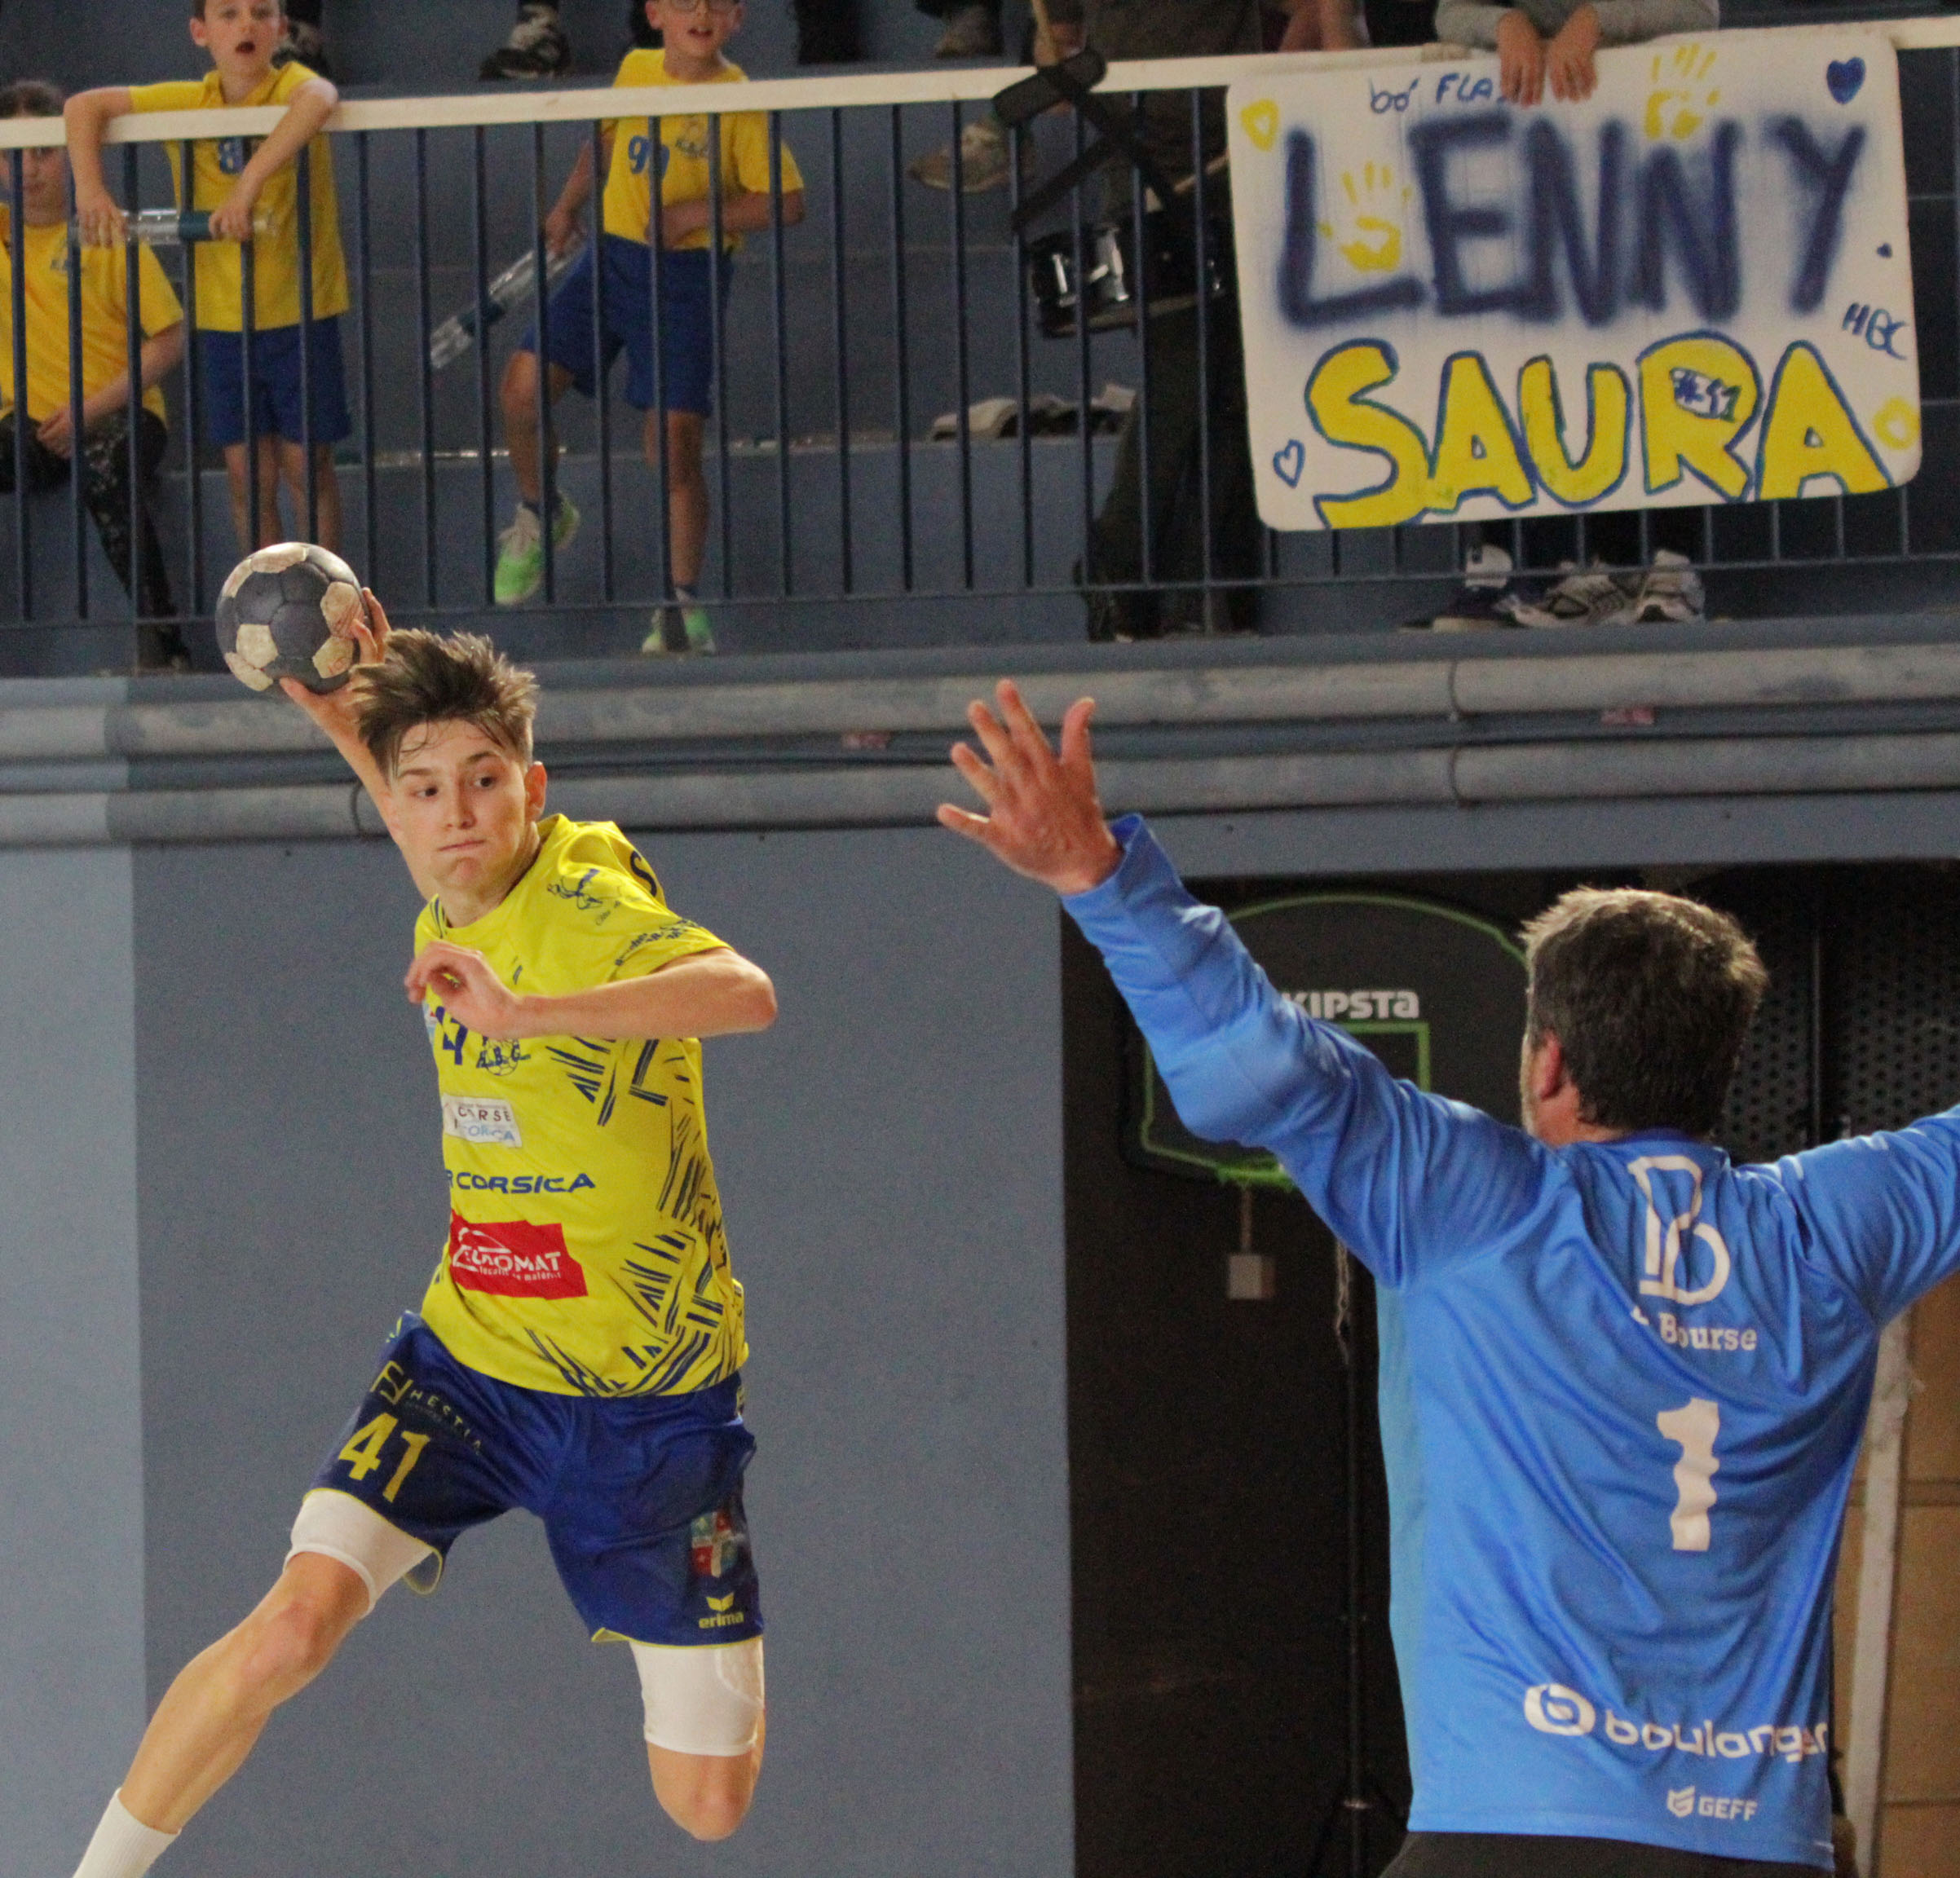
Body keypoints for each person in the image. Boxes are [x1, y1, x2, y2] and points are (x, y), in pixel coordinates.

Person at [939, 677, 1960, 1876]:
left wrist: (1104, 880)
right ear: (1722, 1064)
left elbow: (1257, 1060)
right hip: (1760, 1850)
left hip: (1509, 1835)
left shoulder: (1476, 1202)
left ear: (1550, 1064)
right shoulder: (1830, 1236)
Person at [66, 607, 778, 1878]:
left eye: (486, 785)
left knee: (707, 1805)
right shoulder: (443, 871)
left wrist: (535, 1014)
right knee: (290, 1630)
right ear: (395, 807)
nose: (456, 814)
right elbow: (416, 791)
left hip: (649, 1405)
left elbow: (747, 993)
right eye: (424, 791)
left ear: (533, 791)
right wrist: (340, 712)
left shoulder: (589, 899)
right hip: (472, 1363)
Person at [493, 0, 806, 656]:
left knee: (672, 444)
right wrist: (567, 205)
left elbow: (784, 199)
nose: (701, 12)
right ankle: (541, 510)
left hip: (685, 278)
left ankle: (681, 608)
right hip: (609, 260)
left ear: (737, 19)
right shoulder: (635, 68)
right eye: (684, 0)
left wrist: (695, 213)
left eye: (717, 3)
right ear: (656, 13)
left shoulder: (739, 99)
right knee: (521, 391)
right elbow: (603, 142)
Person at [1419, 0, 1719, 631]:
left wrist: (1595, 22)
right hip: (1525, 176)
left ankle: (1669, 566)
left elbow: (1698, 8)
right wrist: (1505, 27)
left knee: (1659, 357)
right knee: (1518, 362)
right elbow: (1450, 12)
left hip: (1646, 165)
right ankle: (1541, 572)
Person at [68, 0, 354, 556]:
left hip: (301, 312)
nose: (245, 25)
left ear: (280, 28)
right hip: (224, 321)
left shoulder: (293, 85)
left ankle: (327, 603)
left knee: (306, 467)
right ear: (201, 32)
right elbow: (83, 106)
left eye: (260, 12)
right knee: (249, 476)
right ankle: (264, 610)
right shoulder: (190, 100)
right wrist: (91, 189)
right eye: (228, 14)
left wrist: (247, 186)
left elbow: (320, 98)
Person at [0, 81, 187, 666]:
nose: (28, 170)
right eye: (14, 154)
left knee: (106, 461)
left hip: (119, 416)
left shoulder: (107, 231)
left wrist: (91, 410)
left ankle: (164, 644)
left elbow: (171, 338)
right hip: (24, 426)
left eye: (43, 151)